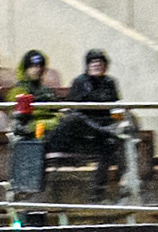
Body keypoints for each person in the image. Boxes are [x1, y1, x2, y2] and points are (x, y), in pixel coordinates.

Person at [50, 49, 124, 202]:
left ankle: (98, 194)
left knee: (111, 145)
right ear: (87, 65)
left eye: (100, 62)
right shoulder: (80, 82)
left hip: (102, 131)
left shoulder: (110, 83)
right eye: (93, 62)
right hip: (80, 134)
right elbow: (72, 111)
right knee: (75, 120)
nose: (97, 65)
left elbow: (116, 107)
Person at [3, 49, 61, 134]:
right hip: (30, 129)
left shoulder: (45, 90)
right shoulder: (18, 91)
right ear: (25, 69)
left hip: (49, 127)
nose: (37, 69)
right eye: (33, 66)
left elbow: (55, 110)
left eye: (40, 66)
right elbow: (21, 117)